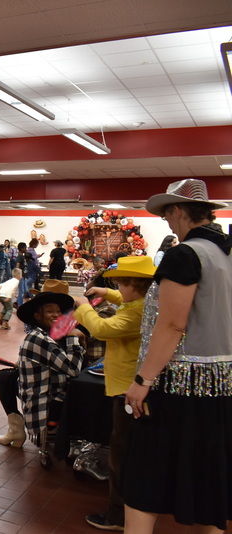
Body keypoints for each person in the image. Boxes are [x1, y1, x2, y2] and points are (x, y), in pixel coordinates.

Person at [123, 179, 232, 533]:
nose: (167, 222)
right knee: (208, 481)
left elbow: (171, 324)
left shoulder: (185, 255)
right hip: (220, 389)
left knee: (143, 479)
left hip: (176, 387)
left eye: (168, 213)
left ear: (180, 211)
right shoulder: (225, 254)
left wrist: (143, 380)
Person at [72, 256, 154, 531]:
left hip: (128, 391)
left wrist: (83, 308)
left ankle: (117, 516)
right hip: (127, 387)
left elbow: (102, 329)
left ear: (132, 283)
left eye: (120, 282)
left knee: (120, 455)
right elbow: (127, 300)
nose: (117, 286)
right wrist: (107, 292)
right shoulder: (146, 301)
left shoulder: (138, 312)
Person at [15, 280, 86, 448]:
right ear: (37, 316)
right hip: (44, 406)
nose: (56, 315)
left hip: (52, 396)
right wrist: (73, 337)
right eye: (50, 311)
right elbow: (74, 369)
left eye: (58, 312)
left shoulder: (47, 334)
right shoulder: (39, 338)